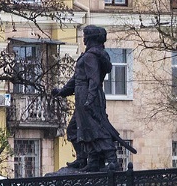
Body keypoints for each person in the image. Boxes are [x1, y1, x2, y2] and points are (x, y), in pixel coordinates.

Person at [53, 26, 136, 172]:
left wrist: (89, 100)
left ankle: (112, 160)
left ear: (90, 38)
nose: (83, 38)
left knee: (96, 129)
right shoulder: (88, 55)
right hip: (82, 96)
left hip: (89, 96)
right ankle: (86, 159)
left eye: (85, 35)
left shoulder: (91, 56)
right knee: (76, 129)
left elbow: (94, 80)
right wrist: (62, 92)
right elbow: (76, 79)